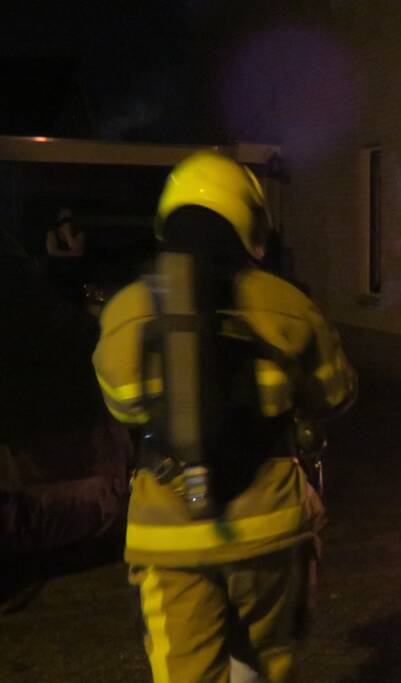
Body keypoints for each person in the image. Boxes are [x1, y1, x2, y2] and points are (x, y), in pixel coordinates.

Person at [92, 151, 356, 682]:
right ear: (249, 223)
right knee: (266, 663)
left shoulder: (126, 310)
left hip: (168, 535)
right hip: (269, 527)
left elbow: (120, 403)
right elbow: (336, 393)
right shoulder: (288, 303)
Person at [45, 208, 87, 302]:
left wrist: (68, 234)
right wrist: (72, 254)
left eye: (68, 217)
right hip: (56, 275)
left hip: (74, 275)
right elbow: (52, 251)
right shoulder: (52, 233)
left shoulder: (79, 233)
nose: (66, 220)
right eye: (64, 216)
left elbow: (76, 248)